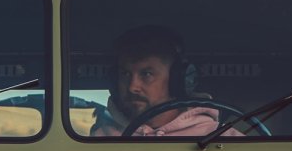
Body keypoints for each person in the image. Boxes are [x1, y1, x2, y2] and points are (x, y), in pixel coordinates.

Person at [90, 25, 224, 138]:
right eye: (125, 74)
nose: (132, 87)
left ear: (176, 80)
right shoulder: (99, 139)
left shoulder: (222, 139)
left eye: (147, 74)